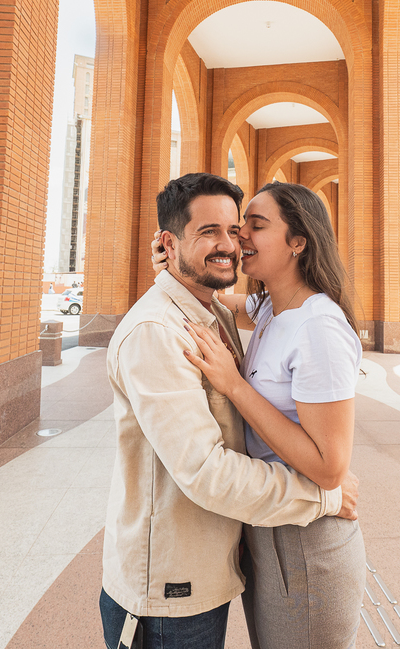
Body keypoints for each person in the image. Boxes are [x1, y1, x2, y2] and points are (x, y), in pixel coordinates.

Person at [100, 173, 358, 649]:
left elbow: (329, 465)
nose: (234, 242)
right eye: (211, 231)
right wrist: (173, 262)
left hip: (290, 538)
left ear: (298, 242)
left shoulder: (302, 323)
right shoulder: (204, 321)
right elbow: (206, 472)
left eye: (242, 228)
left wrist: (185, 257)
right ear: (169, 242)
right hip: (185, 578)